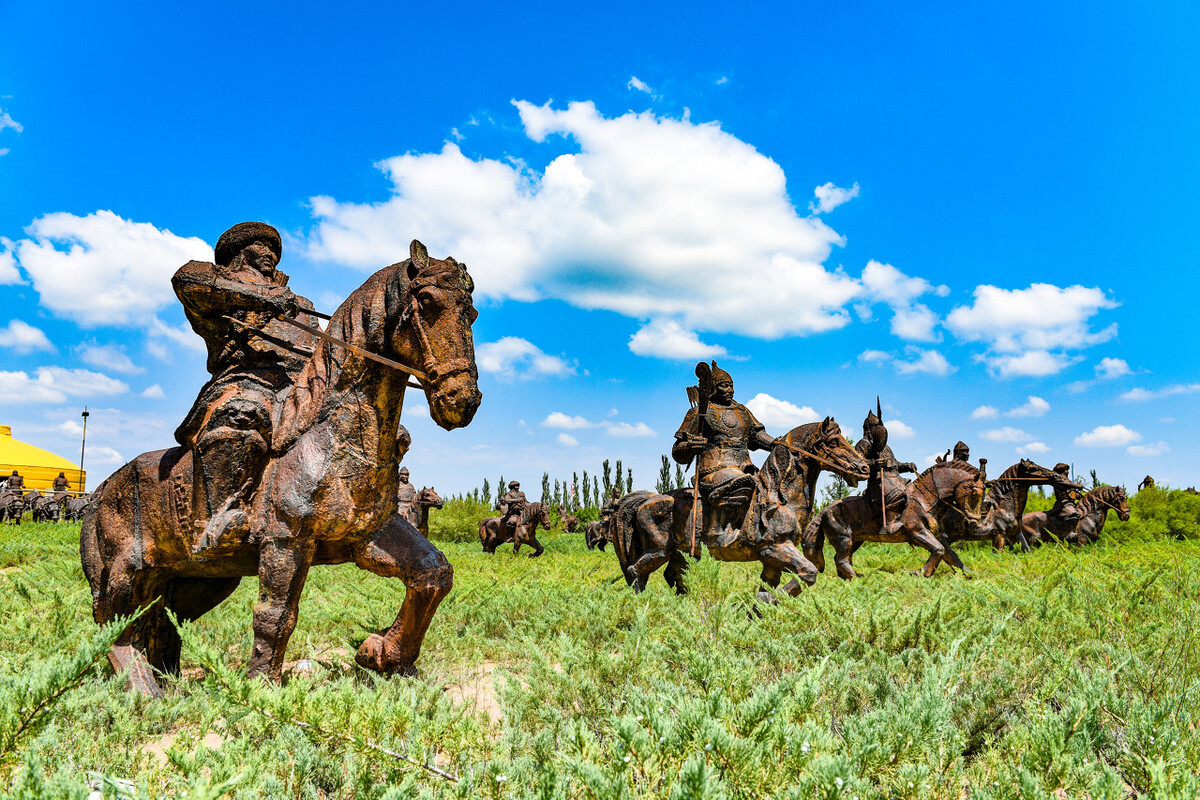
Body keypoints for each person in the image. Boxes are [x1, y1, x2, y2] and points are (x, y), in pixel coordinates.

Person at [172, 222, 318, 552]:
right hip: (244, 379)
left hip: (296, 387)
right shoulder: (215, 279)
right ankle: (222, 517)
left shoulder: (300, 304)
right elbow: (184, 279)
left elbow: (315, 355)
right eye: (262, 247)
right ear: (239, 252)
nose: (271, 255)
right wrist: (265, 299)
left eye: (275, 251)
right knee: (243, 412)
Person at [671, 362, 777, 537]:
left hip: (744, 469)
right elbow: (678, 451)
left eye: (732, 386)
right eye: (724, 385)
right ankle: (718, 531)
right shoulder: (699, 412)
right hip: (715, 470)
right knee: (739, 482)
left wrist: (776, 444)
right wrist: (691, 446)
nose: (730, 390)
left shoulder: (742, 410)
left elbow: (757, 435)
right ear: (713, 388)